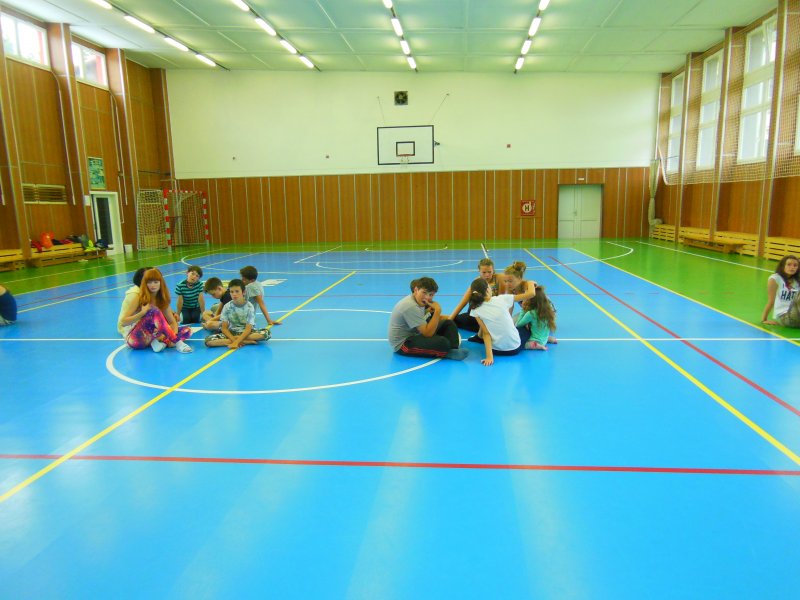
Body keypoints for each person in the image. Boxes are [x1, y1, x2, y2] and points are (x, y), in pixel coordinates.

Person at [388, 277, 467, 360]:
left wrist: (429, 312)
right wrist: (437, 311)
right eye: (424, 293)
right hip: (404, 345)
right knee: (442, 342)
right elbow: (427, 334)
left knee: (448, 323)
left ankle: (453, 350)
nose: (427, 297)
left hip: (416, 334)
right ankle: (446, 351)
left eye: (431, 295)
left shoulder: (419, 301)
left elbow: (430, 320)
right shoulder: (410, 306)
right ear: (416, 290)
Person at [118, 268, 193, 353]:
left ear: (161, 283)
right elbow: (123, 322)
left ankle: (163, 343)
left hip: (153, 336)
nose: (152, 285)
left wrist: (172, 335)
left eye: (156, 282)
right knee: (154, 310)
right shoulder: (138, 297)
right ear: (145, 284)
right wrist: (142, 313)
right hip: (136, 339)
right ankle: (178, 343)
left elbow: (172, 322)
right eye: (149, 282)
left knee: (187, 330)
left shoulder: (162, 299)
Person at [466, 279, 531, 366]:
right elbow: (531, 294)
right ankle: (535, 341)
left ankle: (478, 338)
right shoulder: (502, 299)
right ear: (488, 290)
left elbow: (486, 334)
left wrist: (489, 357)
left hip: (495, 351)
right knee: (525, 328)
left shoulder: (475, 310)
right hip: (514, 349)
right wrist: (531, 283)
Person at [205, 279, 271, 348]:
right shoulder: (227, 306)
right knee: (208, 341)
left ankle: (234, 340)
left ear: (243, 292)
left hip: (247, 332)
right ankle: (244, 341)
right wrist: (235, 341)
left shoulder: (249, 306)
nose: (234, 294)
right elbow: (224, 328)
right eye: (232, 292)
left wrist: (236, 341)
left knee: (266, 333)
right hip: (231, 332)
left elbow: (248, 329)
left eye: (237, 291)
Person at [449, 258, 502, 331]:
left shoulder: (498, 279)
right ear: (479, 271)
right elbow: (463, 302)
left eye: (489, 272)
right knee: (452, 319)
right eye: (484, 272)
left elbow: (502, 301)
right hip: (476, 316)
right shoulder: (477, 282)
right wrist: (449, 320)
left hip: (491, 315)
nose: (487, 275)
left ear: (493, 270)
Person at [761, 255, 800, 327]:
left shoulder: (797, 281)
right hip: (786, 317)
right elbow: (771, 301)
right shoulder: (775, 279)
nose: (792, 267)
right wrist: (764, 319)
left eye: (795, 265)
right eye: (789, 264)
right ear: (782, 266)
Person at [516, 284, 558, 350]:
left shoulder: (531, 313)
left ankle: (536, 346)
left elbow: (518, 324)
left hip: (535, 341)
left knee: (520, 344)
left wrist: (523, 309)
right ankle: (548, 339)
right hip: (544, 338)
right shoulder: (548, 310)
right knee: (540, 331)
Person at [116, 266, 154, 337]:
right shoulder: (135, 295)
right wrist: (142, 313)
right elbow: (123, 321)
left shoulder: (150, 290)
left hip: (141, 321)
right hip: (128, 327)